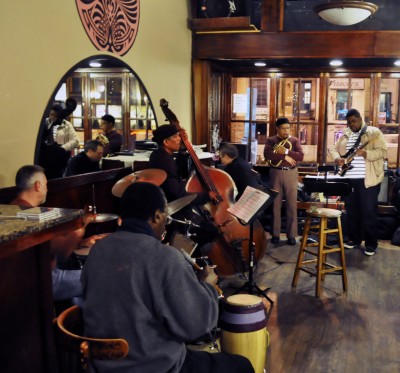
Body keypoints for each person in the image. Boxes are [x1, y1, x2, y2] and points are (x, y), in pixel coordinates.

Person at [81, 182, 254, 373]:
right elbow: (197, 326)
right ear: (156, 216)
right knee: (242, 366)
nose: (166, 223)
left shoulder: (98, 251)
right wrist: (207, 286)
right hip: (154, 366)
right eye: (166, 217)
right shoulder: (165, 257)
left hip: (102, 366)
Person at [9, 165, 92, 303]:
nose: (47, 189)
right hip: (42, 280)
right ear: (38, 185)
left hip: (20, 279)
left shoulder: (12, 208)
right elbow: (63, 250)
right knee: (99, 277)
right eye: (46, 185)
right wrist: (79, 229)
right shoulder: (31, 216)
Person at [330, 108, 387, 256]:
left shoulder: (373, 133)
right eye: (349, 122)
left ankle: (371, 244)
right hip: (349, 180)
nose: (351, 125)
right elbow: (333, 149)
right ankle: (354, 239)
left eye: (354, 121)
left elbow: (382, 152)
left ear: (360, 119)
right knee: (352, 212)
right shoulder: (346, 134)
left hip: (368, 180)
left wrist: (366, 153)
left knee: (368, 212)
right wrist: (338, 159)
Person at [264, 117, 304, 246]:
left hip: (291, 173)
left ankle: (291, 235)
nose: (286, 130)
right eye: (283, 128)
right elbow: (267, 155)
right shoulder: (271, 140)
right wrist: (284, 156)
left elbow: (300, 156)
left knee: (292, 204)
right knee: (275, 205)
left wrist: (286, 151)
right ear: (277, 128)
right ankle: (275, 234)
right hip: (275, 172)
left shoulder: (294, 140)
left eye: (288, 128)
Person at [40, 103, 80, 179]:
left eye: (55, 115)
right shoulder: (45, 123)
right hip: (46, 157)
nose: (52, 117)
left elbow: (75, 140)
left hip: (60, 156)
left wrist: (63, 148)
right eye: (51, 114)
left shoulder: (66, 124)